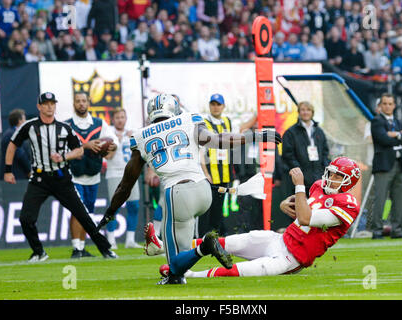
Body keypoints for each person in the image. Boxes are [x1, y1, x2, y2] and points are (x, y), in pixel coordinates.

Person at [96, 93, 281, 284]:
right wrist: (256, 136)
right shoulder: (189, 119)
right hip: (203, 189)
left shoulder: (141, 136)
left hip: (177, 194)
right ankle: (175, 272)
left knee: (174, 262)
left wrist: (110, 212)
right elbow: (217, 140)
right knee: (180, 260)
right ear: (174, 109)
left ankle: (204, 247)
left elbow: (126, 184)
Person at [156, 157, 361, 279]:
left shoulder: (347, 204)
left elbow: (306, 218)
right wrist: (284, 204)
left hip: (291, 257)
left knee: (242, 271)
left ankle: (190, 275)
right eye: (331, 173)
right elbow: (300, 204)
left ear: (348, 182)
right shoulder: (319, 186)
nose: (330, 178)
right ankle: (164, 245)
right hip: (279, 239)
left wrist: (299, 185)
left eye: (337, 176)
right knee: (229, 242)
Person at [3, 92, 117, 262]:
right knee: (26, 218)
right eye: (46, 104)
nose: (49, 107)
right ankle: (39, 252)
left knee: (83, 215)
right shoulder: (30, 126)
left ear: (55, 106)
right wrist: (8, 170)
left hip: (62, 177)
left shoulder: (64, 127)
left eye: (52, 104)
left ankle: (106, 249)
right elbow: (13, 144)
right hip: (39, 179)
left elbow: (78, 149)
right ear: (39, 106)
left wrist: (64, 157)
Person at [65, 91, 118, 258]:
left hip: (93, 174)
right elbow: (62, 149)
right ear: (74, 104)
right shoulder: (67, 125)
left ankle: (81, 247)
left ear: (88, 103)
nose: (81, 103)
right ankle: (76, 248)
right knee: (77, 211)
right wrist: (85, 146)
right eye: (78, 101)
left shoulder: (99, 123)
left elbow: (113, 141)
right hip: (74, 174)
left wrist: (111, 147)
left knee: (88, 212)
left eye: (84, 101)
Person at [370, 93, 402, 239]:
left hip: (400, 164)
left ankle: (397, 230)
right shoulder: (376, 121)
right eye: (385, 103)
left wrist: (395, 135)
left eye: (390, 103)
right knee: (380, 199)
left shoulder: (399, 121)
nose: (388, 106)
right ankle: (377, 230)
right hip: (383, 165)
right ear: (380, 106)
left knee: (399, 200)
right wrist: (401, 136)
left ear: (394, 105)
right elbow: (383, 139)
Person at [104, 108, 142, 249]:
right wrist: (117, 142)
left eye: (122, 117)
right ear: (113, 120)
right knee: (114, 207)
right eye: (117, 117)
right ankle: (111, 239)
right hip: (114, 173)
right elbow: (107, 157)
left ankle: (130, 240)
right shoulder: (109, 134)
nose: (120, 120)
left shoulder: (132, 133)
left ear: (126, 119)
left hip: (131, 174)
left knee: (134, 206)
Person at [198, 93, 234, 237]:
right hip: (210, 173)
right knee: (206, 208)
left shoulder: (228, 121)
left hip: (224, 172)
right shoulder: (203, 124)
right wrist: (205, 173)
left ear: (223, 106)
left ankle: (215, 237)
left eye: (218, 104)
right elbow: (201, 150)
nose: (216, 107)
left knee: (219, 208)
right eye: (213, 104)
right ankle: (201, 237)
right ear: (209, 106)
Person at [282, 101, 330, 198]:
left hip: (319, 178)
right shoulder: (290, 132)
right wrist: (299, 171)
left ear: (312, 112)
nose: (305, 112)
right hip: (300, 180)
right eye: (303, 110)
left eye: (308, 110)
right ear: (299, 112)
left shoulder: (319, 131)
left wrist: (324, 170)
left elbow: (325, 152)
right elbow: (288, 155)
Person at [0, 109, 31, 180]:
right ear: (20, 121)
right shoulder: (12, 134)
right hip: (16, 176)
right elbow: (21, 155)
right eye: (24, 119)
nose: (25, 122)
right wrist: (29, 171)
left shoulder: (11, 133)